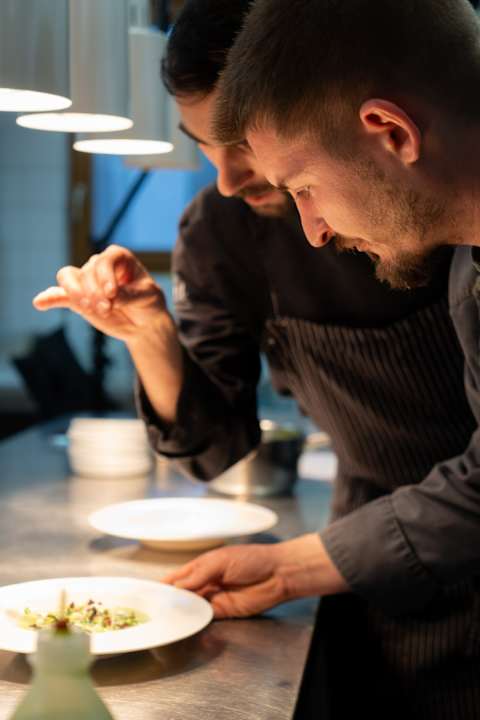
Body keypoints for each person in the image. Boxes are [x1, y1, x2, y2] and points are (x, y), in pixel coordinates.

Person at [33, 1, 478, 716]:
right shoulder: (225, 233)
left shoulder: (448, 229)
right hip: (370, 550)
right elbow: (213, 446)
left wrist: (292, 567)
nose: (228, 180)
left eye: (246, 145)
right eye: (201, 146)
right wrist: (148, 336)